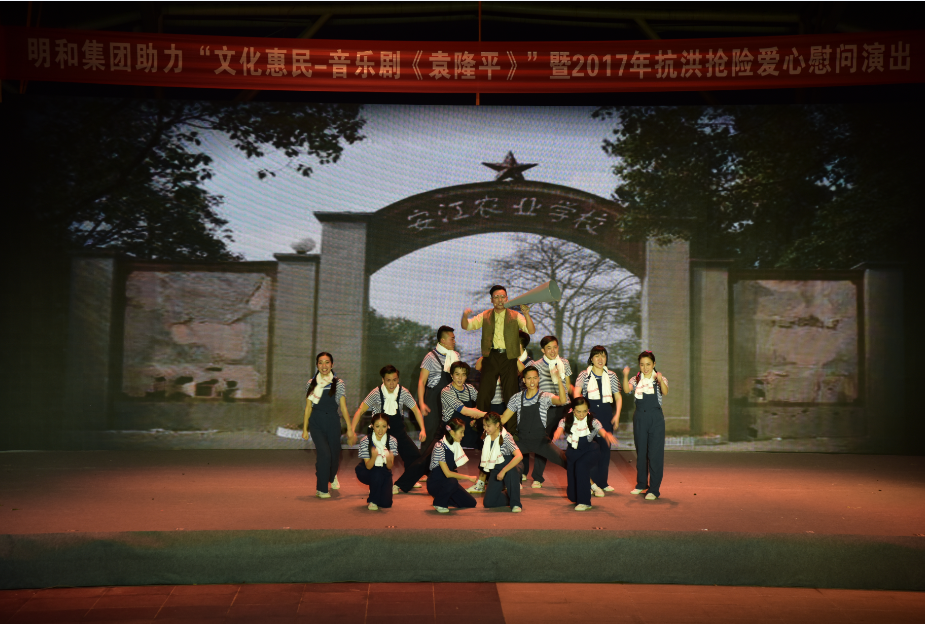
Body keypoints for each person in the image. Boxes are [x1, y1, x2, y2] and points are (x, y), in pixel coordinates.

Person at [350, 365, 426, 494]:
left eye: (394, 380)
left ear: (398, 379)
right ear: (383, 380)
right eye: (388, 380)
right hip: (378, 433)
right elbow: (361, 410)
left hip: (398, 430)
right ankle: (376, 483)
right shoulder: (376, 393)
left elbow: (415, 410)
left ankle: (406, 482)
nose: (392, 383)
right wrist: (352, 430)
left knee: (415, 458)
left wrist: (423, 429)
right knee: (376, 461)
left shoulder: (403, 392)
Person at [460, 285, 536, 412]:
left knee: (511, 393)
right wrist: (464, 316)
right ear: (491, 300)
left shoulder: (515, 315)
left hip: (509, 356)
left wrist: (527, 315)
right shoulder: (485, 315)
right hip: (491, 356)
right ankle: (482, 423)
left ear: (507, 298)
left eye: (502, 297)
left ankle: (511, 424)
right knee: (484, 394)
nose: (500, 300)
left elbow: (531, 330)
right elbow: (466, 326)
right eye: (496, 297)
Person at [499, 365, 568, 489]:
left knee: (566, 461)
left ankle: (589, 484)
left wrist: (558, 379)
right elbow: (503, 418)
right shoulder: (516, 398)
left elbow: (562, 400)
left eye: (535, 378)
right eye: (529, 378)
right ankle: (511, 482)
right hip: (522, 440)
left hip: (541, 441)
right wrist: (487, 422)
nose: (532, 381)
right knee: (503, 457)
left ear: (538, 379)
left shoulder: (545, 396)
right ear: (524, 380)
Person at [301, 352, 352, 499]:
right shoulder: (311, 383)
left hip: (333, 422)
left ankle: (331, 475)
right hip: (316, 421)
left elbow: (343, 407)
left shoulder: (338, 383)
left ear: (332, 364)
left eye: (327, 362)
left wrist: (349, 428)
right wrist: (305, 429)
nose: (324, 366)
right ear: (317, 365)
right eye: (321, 362)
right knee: (325, 454)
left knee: (334, 457)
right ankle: (321, 489)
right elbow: (308, 407)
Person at [574, 345, 623, 495]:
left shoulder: (612, 375)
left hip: (606, 415)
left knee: (605, 450)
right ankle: (590, 483)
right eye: (597, 356)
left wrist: (617, 415)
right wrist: (581, 413)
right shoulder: (584, 375)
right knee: (590, 450)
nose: (600, 359)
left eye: (603, 356)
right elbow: (577, 394)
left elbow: (618, 397)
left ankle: (603, 483)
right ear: (591, 359)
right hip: (589, 416)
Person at [553, 397, 616, 511]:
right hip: (573, 452)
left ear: (588, 410)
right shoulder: (566, 420)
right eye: (578, 411)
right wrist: (557, 432)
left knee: (581, 466)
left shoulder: (593, 421)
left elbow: (601, 430)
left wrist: (606, 435)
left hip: (590, 450)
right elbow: (560, 428)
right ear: (573, 410)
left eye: (584, 411)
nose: (582, 414)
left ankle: (585, 502)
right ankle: (582, 493)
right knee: (572, 495)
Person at [623, 351, 669, 500]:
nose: (645, 367)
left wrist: (660, 380)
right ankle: (641, 484)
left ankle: (654, 490)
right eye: (642, 364)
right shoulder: (636, 379)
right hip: (640, 417)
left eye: (648, 364)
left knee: (655, 454)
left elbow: (665, 392)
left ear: (654, 364)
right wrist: (625, 376)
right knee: (641, 453)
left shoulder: (659, 378)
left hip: (655, 418)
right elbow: (626, 389)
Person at [440, 361, 488, 493]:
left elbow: (480, 401)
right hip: (450, 431)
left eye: (463, 374)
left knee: (488, 445)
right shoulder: (447, 391)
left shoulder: (469, 388)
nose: (460, 378)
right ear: (451, 375)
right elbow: (464, 411)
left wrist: (475, 418)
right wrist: (487, 415)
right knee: (433, 457)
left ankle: (485, 480)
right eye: (457, 374)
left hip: (467, 429)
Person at [476, 330, 531, 433]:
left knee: (506, 430)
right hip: (493, 401)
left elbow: (524, 373)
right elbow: (478, 366)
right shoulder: (492, 356)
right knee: (490, 428)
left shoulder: (521, 360)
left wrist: (512, 358)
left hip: (509, 403)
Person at [530, 335, 573, 451]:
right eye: (549, 348)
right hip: (548, 408)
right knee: (544, 441)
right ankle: (540, 464)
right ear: (543, 350)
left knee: (571, 440)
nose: (552, 351)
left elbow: (568, 385)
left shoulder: (564, 363)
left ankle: (571, 462)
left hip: (565, 407)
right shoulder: (536, 366)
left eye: (555, 347)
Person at [417, 325, 460, 442]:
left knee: (450, 434)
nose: (454, 341)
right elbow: (422, 381)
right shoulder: (430, 357)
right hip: (433, 400)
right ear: (443, 340)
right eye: (452, 339)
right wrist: (421, 403)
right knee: (431, 433)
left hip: (450, 399)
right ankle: (427, 455)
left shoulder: (456, 356)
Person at [427, 417, 478, 513]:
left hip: (448, 483)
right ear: (452, 432)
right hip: (436, 483)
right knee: (453, 481)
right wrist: (468, 477)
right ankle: (439, 503)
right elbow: (447, 474)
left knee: (471, 503)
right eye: (461, 432)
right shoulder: (439, 446)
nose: (463, 435)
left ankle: (444, 497)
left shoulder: (454, 444)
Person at [480, 412, 524, 512]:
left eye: (488, 426)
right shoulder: (486, 436)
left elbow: (519, 456)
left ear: (497, 425)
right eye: (484, 425)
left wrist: (503, 471)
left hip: (510, 466)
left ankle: (515, 502)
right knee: (488, 503)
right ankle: (510, 496)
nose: (486, 428)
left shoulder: (506, 437)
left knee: (511, 473)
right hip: (496, 468)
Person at [354, 413, 399, 510]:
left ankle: (376, 488)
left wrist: (389, 460)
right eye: (377, 426)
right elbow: (368, 466)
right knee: (377, 472)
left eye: (384, 426)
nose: (380, 430)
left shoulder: (392, 441)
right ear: (372, 426)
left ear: (388, 427)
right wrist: (374, 457)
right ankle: (373, 500)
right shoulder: (365, 441)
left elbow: (389, 467)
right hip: (367, 470)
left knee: (386, 504)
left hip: (384, 471)